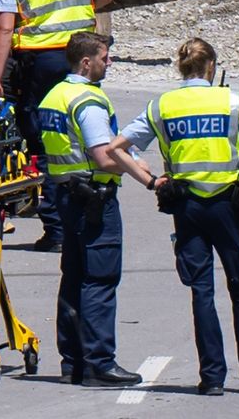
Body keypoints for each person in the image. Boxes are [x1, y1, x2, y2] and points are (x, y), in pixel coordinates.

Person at [121, 39, 239, 396]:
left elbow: (118, 145)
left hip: (187, 207)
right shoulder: (232, 100)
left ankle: (213, 378)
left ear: (180, 67)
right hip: (227, 207)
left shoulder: (163, 105)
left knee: (202, 292)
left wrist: (151, 180)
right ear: (211, 67)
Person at [0, 0, 115, 252]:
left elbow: (4, 27)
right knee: (88, 131)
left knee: (45, 142)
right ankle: (95, 213)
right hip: (81, 54)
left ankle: (58, 230)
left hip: (41, 62)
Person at [36, 30, 157, 387]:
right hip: (94, 200)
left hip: (66, 196)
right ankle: (99, 363)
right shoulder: (87, 100)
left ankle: (72, 361)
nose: (109, 63)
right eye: (105, 58)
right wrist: (141, 171)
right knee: (100, 280)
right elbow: (104, 157)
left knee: (74, 278)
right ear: (86, 62)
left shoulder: (55, 95)